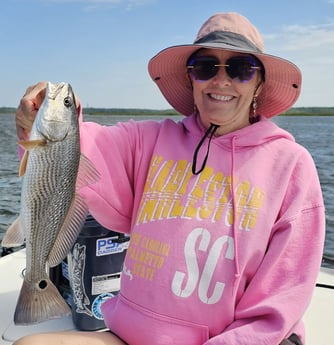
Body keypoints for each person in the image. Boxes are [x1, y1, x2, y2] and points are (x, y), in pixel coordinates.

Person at [13, 11, 324, 345]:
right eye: (205, 67)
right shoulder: (149, 141)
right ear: (191, 78)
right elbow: (69, 155)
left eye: (241, 69)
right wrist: (44, 114)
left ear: (259, 83)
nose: (221, 81)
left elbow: (278, 303)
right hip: (132, 334)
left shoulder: (291, 166)